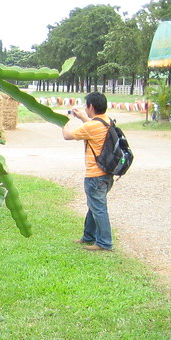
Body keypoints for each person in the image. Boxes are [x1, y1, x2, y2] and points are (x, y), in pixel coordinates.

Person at [62, 91, 114, 251]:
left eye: (86, 105)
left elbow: (68, 135)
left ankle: (105, 243)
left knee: (98, 208)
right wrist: (81, 117)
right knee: (94, 206)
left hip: (95, 175)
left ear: (91, 106)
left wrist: (62, 122)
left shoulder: (92, 126)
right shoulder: (107, 121)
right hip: (107, 173)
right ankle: (89, 237)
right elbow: (91, 126)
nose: (85, 108)